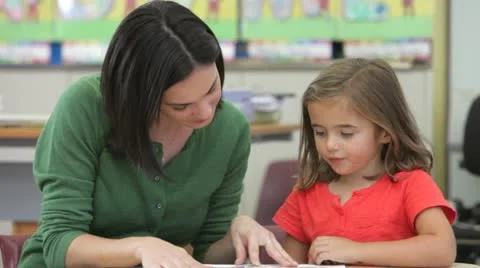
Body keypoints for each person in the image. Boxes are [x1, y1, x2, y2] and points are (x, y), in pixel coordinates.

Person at [18, 1, 297, 268]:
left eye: (212, 90)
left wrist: (237, 232)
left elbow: (206, 249)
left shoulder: (230, 129)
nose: (205, 114)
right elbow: (59, 243)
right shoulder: (85, 106)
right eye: (181, 105)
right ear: (139, 97)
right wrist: (141, 247)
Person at [273, 58, 457, 267]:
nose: (330, 144)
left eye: (346, 133)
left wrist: (355, 251)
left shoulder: (412, 184)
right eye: (320, 132)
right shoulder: (307, 190)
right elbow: (289, 264)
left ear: (385, 132)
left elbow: (443, 250)